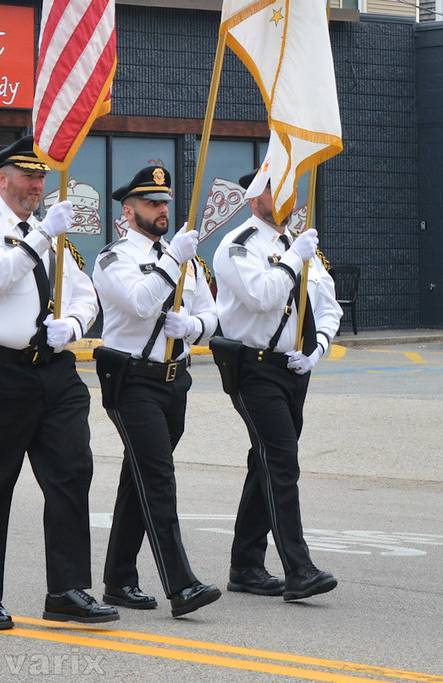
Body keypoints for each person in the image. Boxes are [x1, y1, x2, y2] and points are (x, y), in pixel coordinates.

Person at [0, 136, 118, 630]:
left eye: (41, 177)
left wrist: (76, 325)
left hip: (55, 372)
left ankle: (66, 589)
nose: (37, 186)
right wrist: (42, 233)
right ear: (2, 180)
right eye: (28, 177)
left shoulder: (51, 232)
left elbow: (85, 294)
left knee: (71, 473)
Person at [92, 166, 222, 618]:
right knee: (160, 480)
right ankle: (181, 586)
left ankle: (118, 580)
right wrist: (173, 261)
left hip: (174, 380)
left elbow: (212, 313)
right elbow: (141, 302)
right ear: (129, 212)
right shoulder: (113, 258)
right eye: (151, 203)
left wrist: (194, 326)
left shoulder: (182, 255)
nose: (162, 210)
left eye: (165, 202)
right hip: (132, 381)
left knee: (140, 479)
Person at [210, 164, 343, 601]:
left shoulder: (296, 243)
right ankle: (298, 567)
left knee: (265, 462)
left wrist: (317, 348)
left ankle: (245, 565)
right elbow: (263, 295)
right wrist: (294, 256)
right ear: (254, 198)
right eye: (274, 189)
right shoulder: (237, 246)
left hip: (293, 368)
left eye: (289, 188)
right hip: (253, 368)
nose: (286, 196)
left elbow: (329, 307)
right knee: (282, 461)